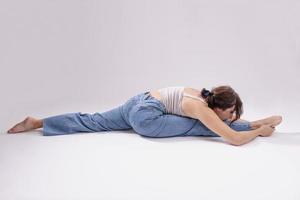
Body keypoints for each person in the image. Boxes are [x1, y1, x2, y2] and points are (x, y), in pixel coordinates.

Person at [7, 85, 282, 146]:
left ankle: (39, 122)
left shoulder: (200, 93)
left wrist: (257, 122)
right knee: (202, 128)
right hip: (147, 120)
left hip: (137, 103)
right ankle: (257, 122)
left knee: (93, 120)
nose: (231, 114)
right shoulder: (201, 110)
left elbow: (222, 120)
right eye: (231, 111)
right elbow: (232, 138)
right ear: (217, 106)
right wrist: (257, 130)